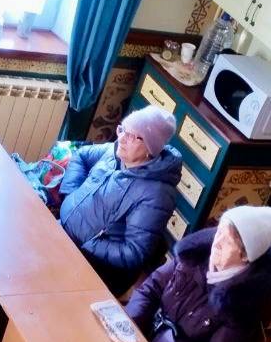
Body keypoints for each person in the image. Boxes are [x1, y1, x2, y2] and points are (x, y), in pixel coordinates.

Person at [125, 205, 271, 342]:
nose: (216, 242)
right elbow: (152, 287)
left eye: (227, 242)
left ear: (245, 256)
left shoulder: (244, 302)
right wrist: (129, 324)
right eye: (219, 232)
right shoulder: (194, 254)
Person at [58, 106, 182, 294]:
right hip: (63, 232)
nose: (122, 139)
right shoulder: (113, 152)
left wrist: (90, 243)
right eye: (122, 129)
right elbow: (81, 156)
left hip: (94, 264)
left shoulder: (157, 194)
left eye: (132, 136)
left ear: (150, 148)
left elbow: (134, 252)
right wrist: (70, 195)